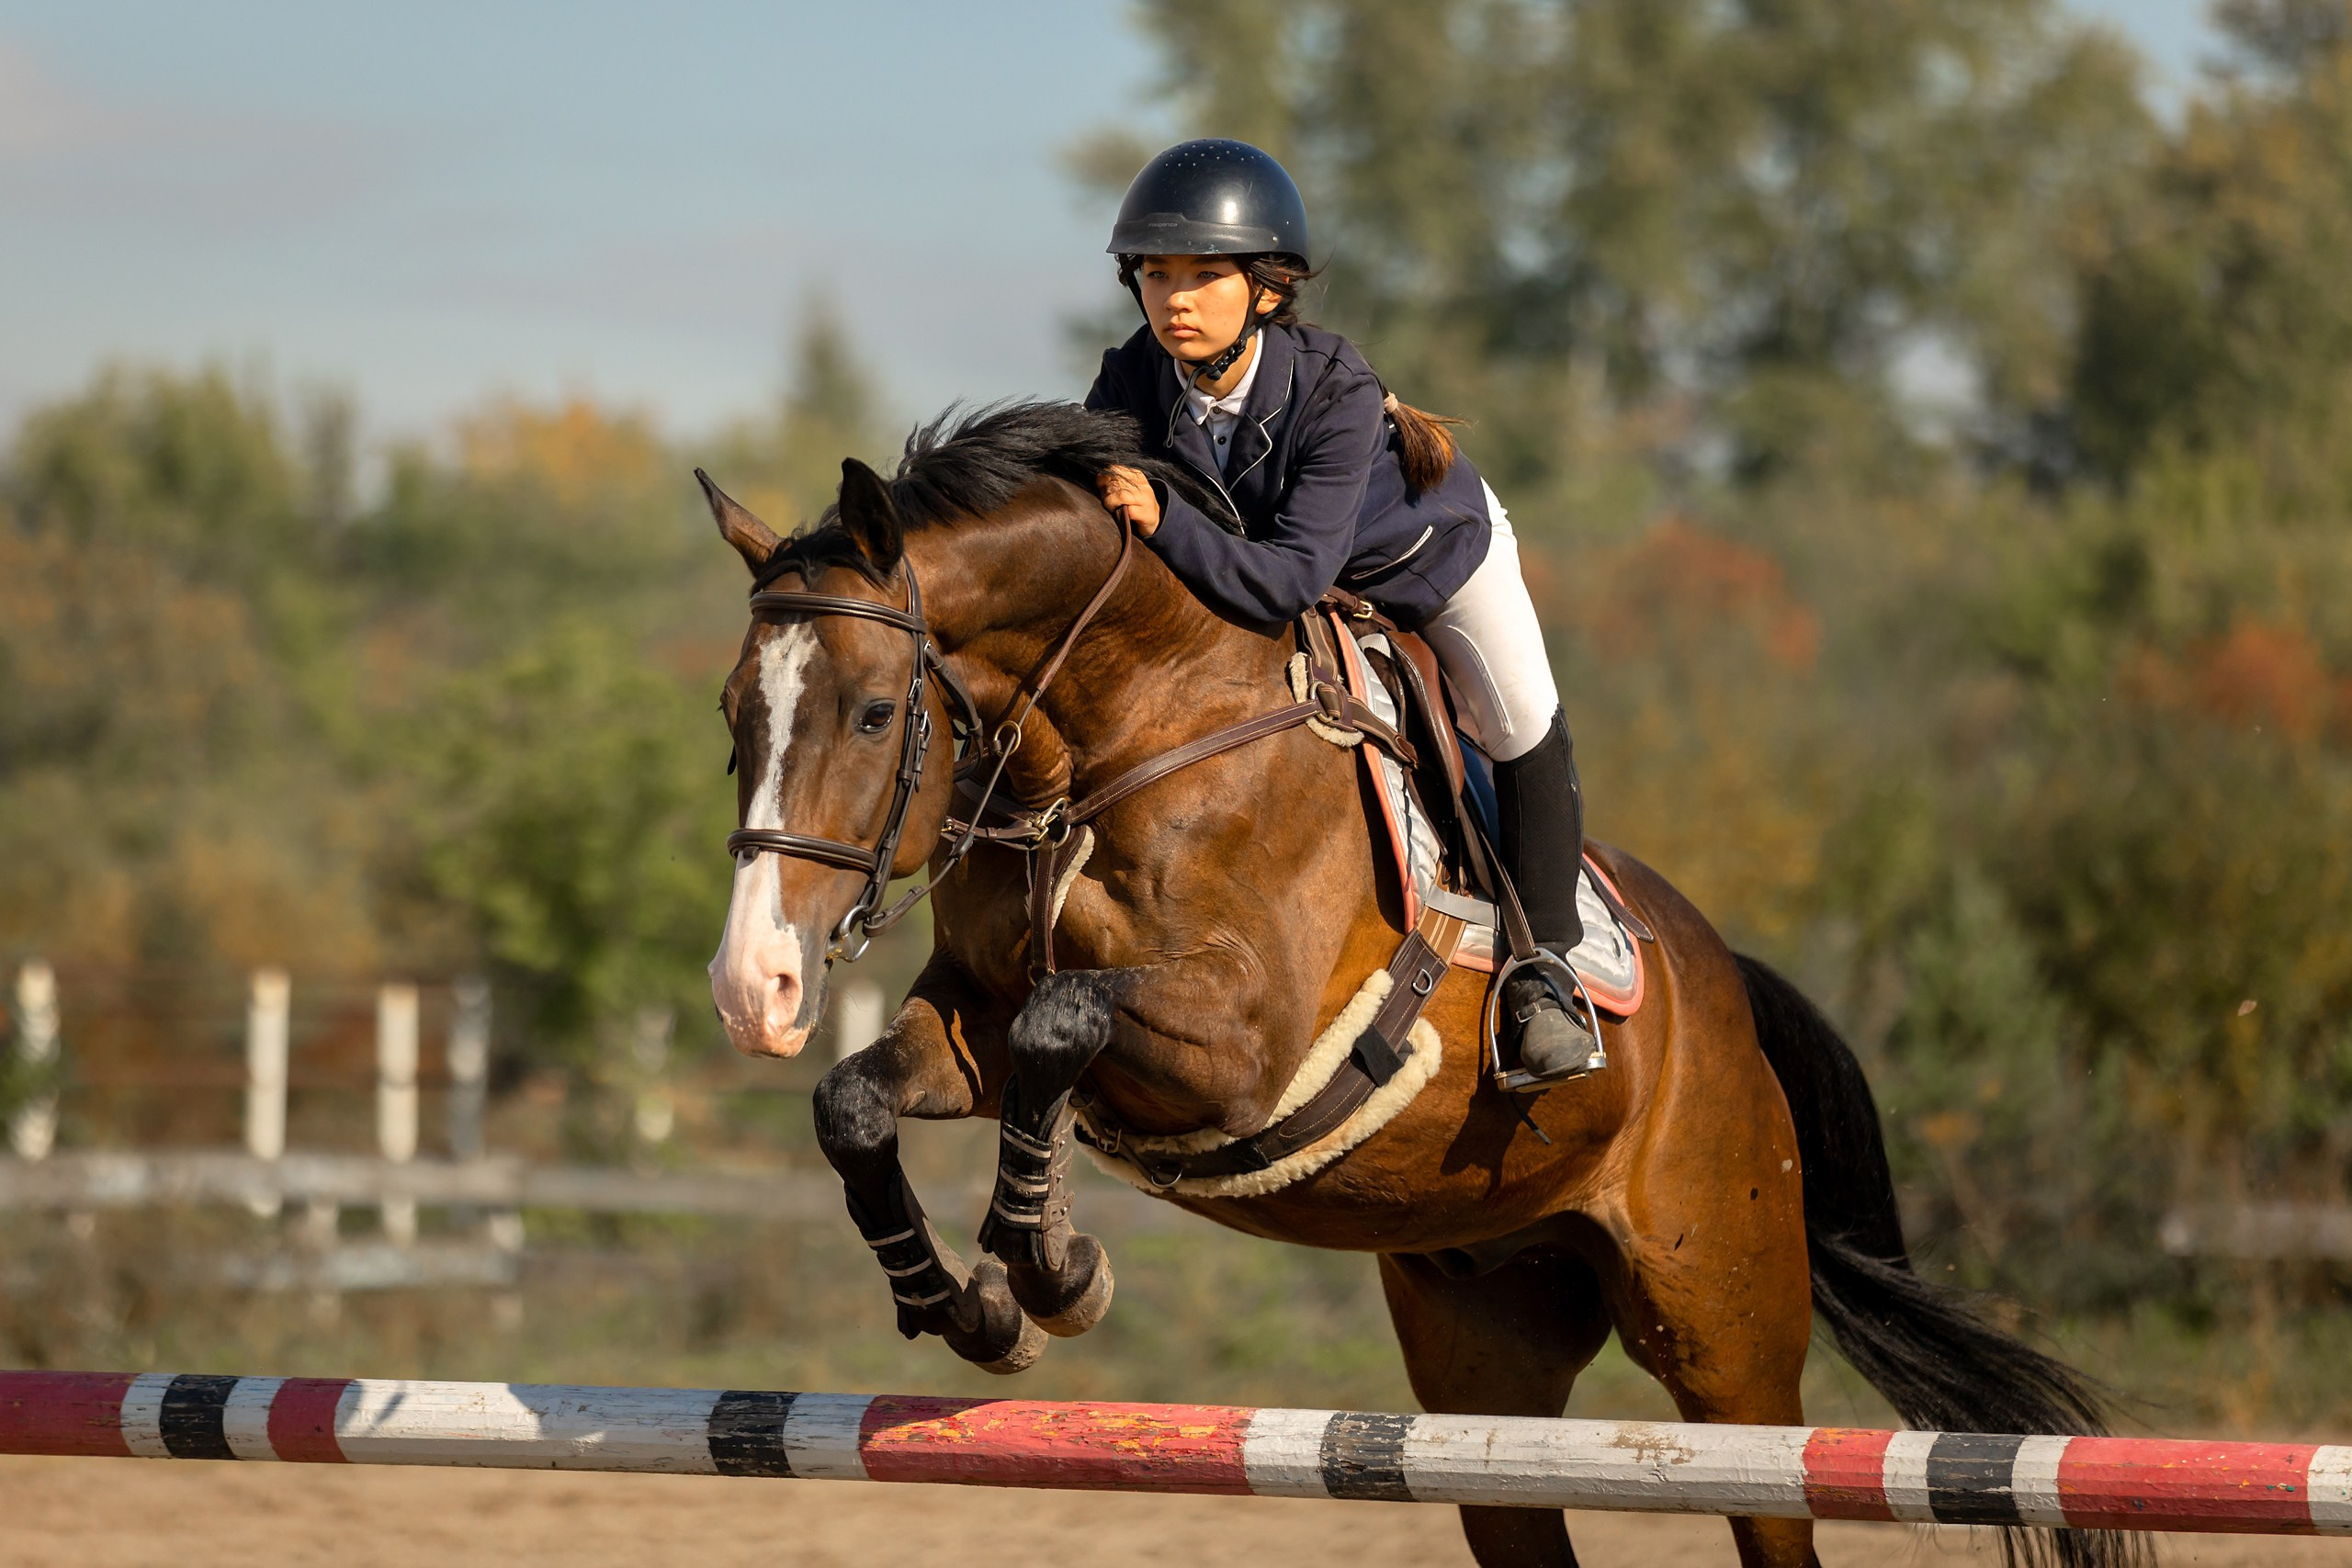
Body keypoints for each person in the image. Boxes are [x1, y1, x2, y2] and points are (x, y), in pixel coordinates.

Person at [1085, 138, 1599, 1084]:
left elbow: (1282, 578)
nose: (1175, 298)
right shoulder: (1132, 380)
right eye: (1155, 274)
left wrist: (1158, 517)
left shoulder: (1333, 387)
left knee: (1516, 719)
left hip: (1431, 564)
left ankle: (1544, 972)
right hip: (1291, 569)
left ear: (1268, 290)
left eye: (1204, 275)